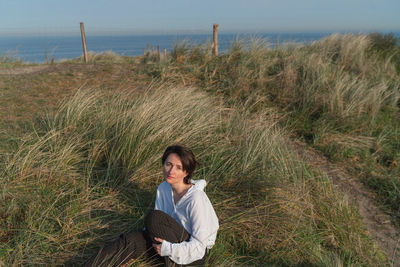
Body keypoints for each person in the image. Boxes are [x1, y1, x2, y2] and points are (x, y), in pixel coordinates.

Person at [85, 145, 219, 267]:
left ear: (186, 172)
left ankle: (173, 264)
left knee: (154, 218)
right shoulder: (164, 188)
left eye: (178, 167)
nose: (171, 171)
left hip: (192, 254)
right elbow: (157, 228)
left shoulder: (196, 198)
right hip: (166, 241)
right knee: (131, 240)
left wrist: (168, 249)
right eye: (168, 164)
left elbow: (199, 247)